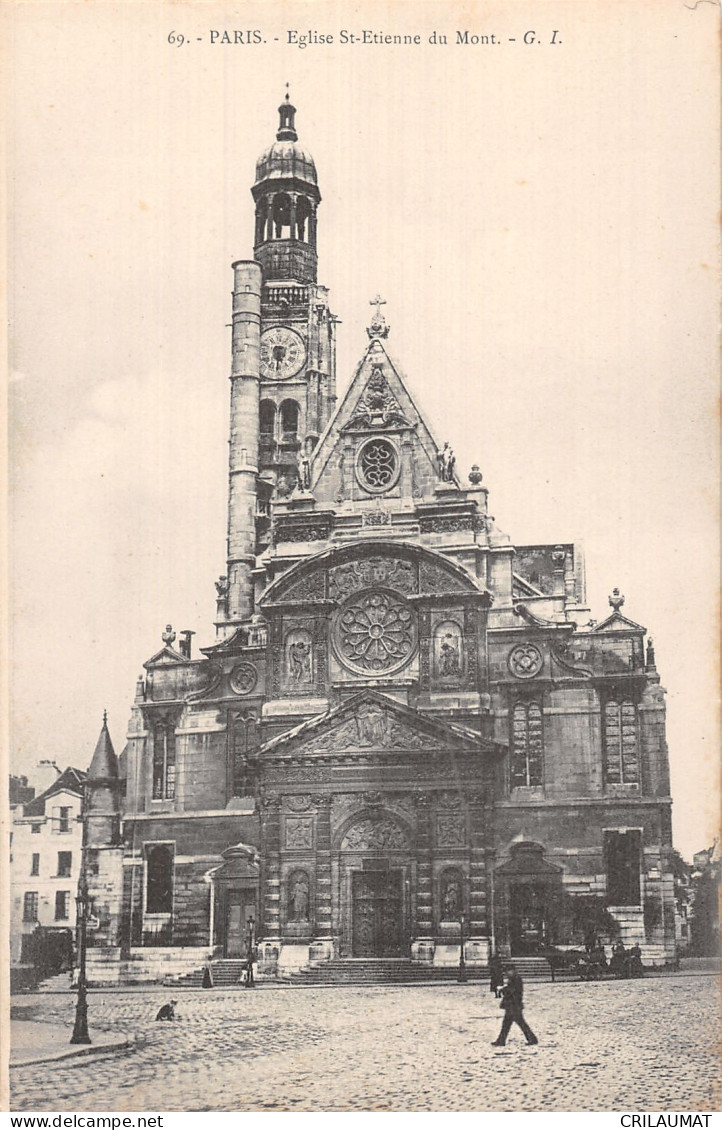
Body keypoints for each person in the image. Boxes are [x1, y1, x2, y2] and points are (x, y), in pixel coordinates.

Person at [492, 966, 538, 1046]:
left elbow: (512, 990)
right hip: (512, 1005)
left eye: (507, 972)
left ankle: (532, 1039)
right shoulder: (514, 978)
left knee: (519, 1023)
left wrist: (502, 989)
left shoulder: (516, 979)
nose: (506, 974)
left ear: (512, 971)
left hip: (514, 1005)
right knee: (507, 1023)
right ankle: (501, 1040)